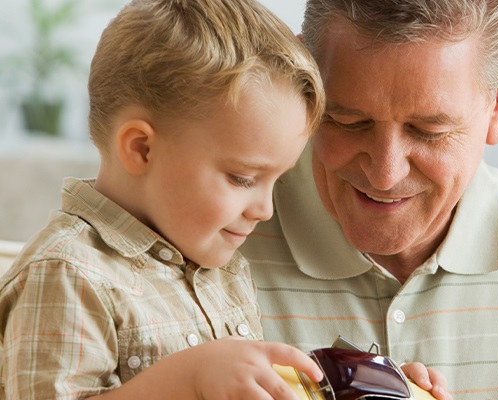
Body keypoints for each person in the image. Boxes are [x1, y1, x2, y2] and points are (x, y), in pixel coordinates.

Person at [240, 0, 498, 399]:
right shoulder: (210, 237)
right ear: (303, 85)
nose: (385, 174)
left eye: (428, 131)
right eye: (350, 122)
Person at [0, 0, 327, 398]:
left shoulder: (220, 271)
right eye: (242, 178)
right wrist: (189, 380)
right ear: (141, 149)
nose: (265, 209)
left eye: (277, 181)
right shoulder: (68, 274)